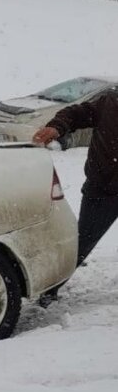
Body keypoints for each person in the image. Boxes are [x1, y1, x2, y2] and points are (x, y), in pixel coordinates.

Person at [33, 86, 118, 265]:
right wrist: (56, 128)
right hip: (103, 189)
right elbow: (75, 114)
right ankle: (50, 287)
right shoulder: (110, 102)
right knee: (79, 245)